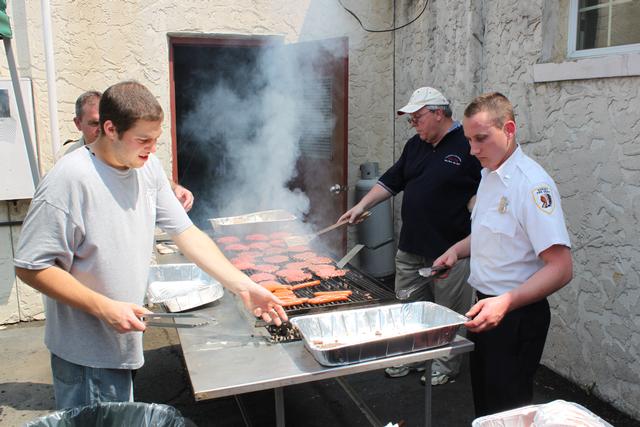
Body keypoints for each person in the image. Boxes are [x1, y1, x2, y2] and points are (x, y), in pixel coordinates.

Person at [14, 81, 287, 410]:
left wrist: (243, 286)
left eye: (155, 139)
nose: (151, 148)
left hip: (123, 343)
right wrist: (105, 308)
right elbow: (32, 266)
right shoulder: (68, 180)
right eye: (143, 139)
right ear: (110, 129)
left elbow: (187, 233)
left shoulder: (147, 169)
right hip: (88, 356)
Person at [433, 92, 573, 416]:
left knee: (509, 412)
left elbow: (561, 268)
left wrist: (505, 303)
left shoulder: (531, 185)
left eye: (481, 139)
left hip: (516, 317)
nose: (472, 150)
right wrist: (456, 251)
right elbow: (490, 234)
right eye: (469, 140)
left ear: (508, 129)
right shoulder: (488, 174)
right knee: (486, 409)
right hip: (486, 309)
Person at [339, 87, 481, 385]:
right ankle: (414, 357)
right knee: (407, 307)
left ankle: (444, 365)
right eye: (411, 120)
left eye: (417, 118)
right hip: (411, 245)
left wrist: (477, 204)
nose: (413, 124)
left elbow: (487, 188)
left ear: (438, 113)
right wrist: (362, 206)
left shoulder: (467, 145)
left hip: (451, 249)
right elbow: (392, 180)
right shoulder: (415, 145)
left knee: (447, 312)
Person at [62, 90, 194, 212]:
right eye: (94, 123)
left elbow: (152, 175)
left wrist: (175, 188)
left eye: (104, 122)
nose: (101, 129)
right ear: (78, 123)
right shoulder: (67, 158)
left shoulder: (127, 150)